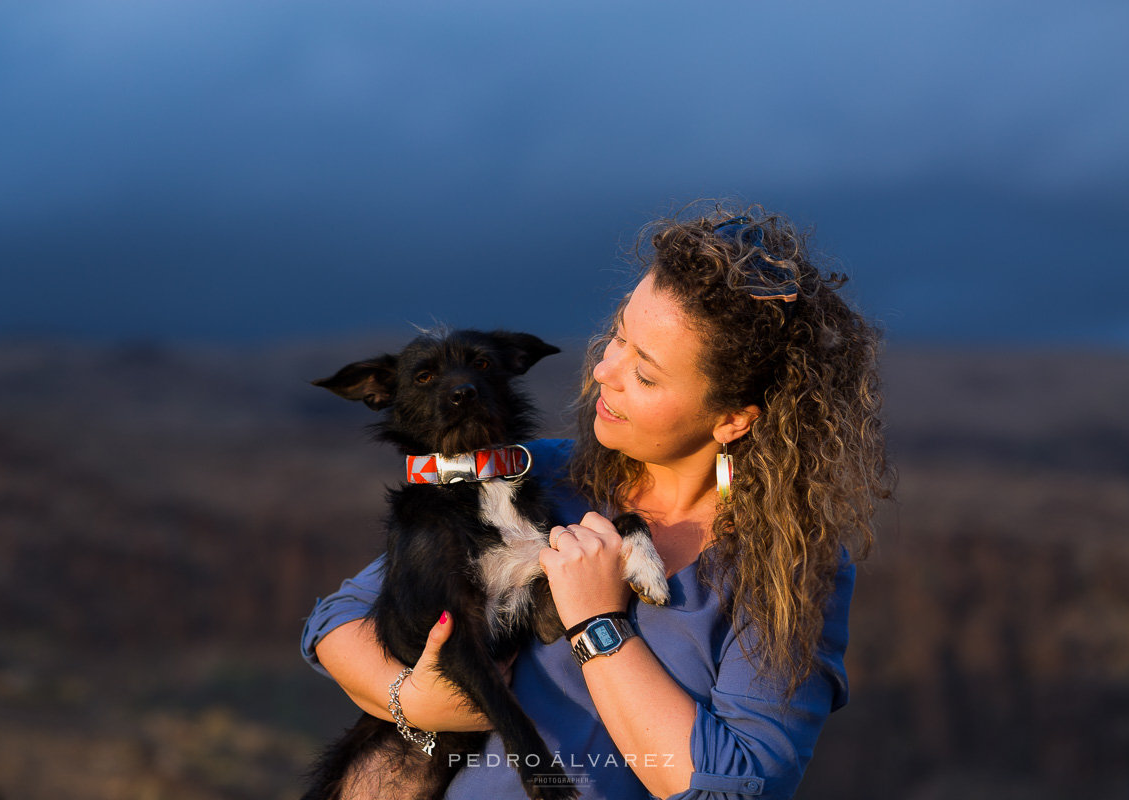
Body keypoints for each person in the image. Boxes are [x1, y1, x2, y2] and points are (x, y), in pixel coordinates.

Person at [300, 203, 893, 799]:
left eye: (647, 373)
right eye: (618, 336)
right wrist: (416, 701)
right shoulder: (537, 474)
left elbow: (738, 785)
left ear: (733, 418)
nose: (605, 370)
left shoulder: (786, 563)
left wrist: (598, 625)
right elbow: (336, 622)